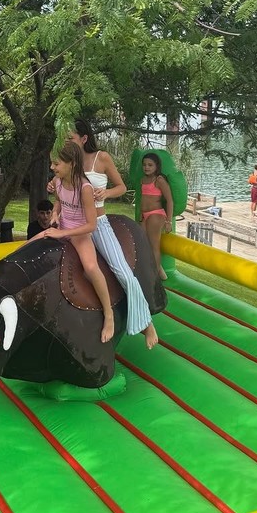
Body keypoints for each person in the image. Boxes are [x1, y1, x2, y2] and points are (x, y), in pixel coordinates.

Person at [59, 119, 159, 349]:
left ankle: (146, 322)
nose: (67, 142)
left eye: (71, 138)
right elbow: (63, 187)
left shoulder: (100, 158)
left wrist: (106, 192)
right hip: (72, 223)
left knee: (122, 272)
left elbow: (122, 187)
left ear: (84, 139)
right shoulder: (68, 161)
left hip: (99, 223)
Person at [34, 141, 115, 343]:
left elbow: (91, 225)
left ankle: (109, 314)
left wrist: (64, 233)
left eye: (56, 163)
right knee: (28, 246)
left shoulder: (85, 188)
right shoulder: (59, 181)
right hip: (62, 228)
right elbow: (60, 201)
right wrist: (54, 214)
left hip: (80, 234)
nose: (52, 167)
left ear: (71, 164)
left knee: (90, 267)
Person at [139, 152, 174, 281]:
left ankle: (154, 276)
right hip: (145, 215)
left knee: (154, 245)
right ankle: (158, 271)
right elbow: (143, 200)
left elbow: (170, 200)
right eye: (144, 165)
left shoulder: (159, 180)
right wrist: (140, 216)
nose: (146, 167)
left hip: (156, 214)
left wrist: (169, 221)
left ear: (156, 166)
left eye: (150, 165)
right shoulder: (143, 180)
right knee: (142, 244)